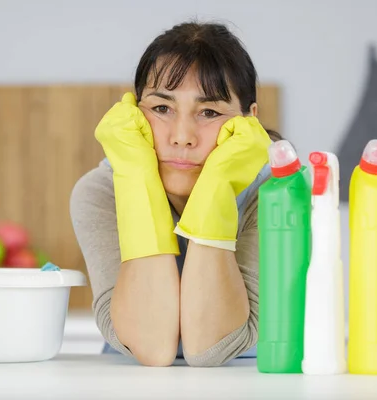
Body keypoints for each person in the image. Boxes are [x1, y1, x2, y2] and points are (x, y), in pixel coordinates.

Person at [70, 21, 281, 368]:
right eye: (161, 109)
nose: (182, 136)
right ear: (135, 113)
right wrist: (137, 178)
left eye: (209, 112)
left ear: (249, 120)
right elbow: (149, 348)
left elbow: (210, 348)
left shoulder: (280, 195)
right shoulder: (100, 193)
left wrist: (217, 187)